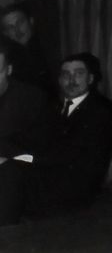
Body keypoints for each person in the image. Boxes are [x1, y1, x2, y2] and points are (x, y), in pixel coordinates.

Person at [0, 51, 112, 223]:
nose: (71, 80)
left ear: (91, 79)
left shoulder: (103, 111)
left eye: (78, 74)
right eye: (66, 75)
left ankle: (6, 235)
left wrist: (21, 158)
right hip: (51, 173)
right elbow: (31, 138)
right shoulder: (56, 106)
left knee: (8, 173)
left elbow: (71, 154)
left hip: (74, 186)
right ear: (59, 80)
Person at [0, 37, 54, 225]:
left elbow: (39, 149)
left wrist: (7, 158)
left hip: (25, 169)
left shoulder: (31, 98)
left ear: (9, 70)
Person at [0, 2, 54, 94]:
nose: (17, 30)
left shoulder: (51, 47)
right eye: (10, 27)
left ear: (31, 21)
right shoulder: (7, 59)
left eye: (20, 22)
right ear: (5, 33)